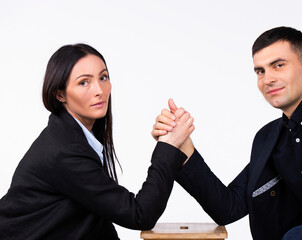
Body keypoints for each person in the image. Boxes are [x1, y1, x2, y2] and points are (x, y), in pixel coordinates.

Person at [152, 26, 302, 240]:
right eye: (260, 71)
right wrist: (182, 145)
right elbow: (228, 207)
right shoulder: (268, 139)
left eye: (278, 65)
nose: (267, 79)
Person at [0, 43, 195, 240]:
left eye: (103, 78)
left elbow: (95, 221)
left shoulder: (76, 136)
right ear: (60, 94)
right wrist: (168, 146)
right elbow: (140, 215)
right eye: (84, 82)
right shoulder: (65, 151)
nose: (99, 90)